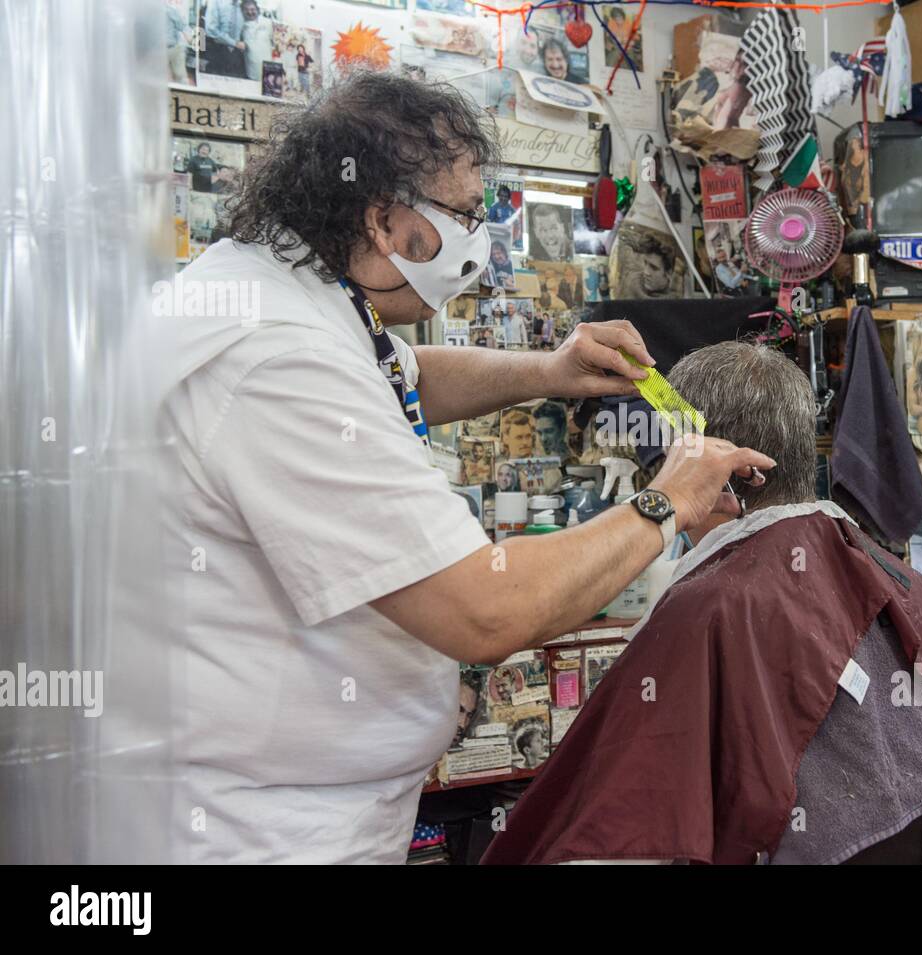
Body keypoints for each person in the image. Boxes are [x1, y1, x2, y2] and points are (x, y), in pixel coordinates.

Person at [156, 73, 772, 864]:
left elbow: (402, 375)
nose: (479, 241)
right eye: (464, 215)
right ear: (382, 217)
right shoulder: (276, 358)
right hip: (256, 833)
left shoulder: (293, 292)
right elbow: (483, 607)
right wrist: (665, 502)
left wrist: (549, 370)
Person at [480, 342, 922, 865]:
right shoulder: (907, 580)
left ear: (728, 472)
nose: (660, 477)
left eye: (668, 461)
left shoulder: (707, 611)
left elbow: (614, 837)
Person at [202, 0, 245, 78]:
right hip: (218, 51)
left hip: (236, 56)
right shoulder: (215, 2)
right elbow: (211, 29)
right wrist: (234, 43)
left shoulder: (241, 6)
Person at [239, 0, 272, 83]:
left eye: (252, 9)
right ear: (242, 11)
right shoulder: (241, 26)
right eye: (246, 9)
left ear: (257, 9)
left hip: (268, 68)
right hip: (251, 71)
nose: (250, 12)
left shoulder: (268, 23)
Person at [167, 3, 194, 84]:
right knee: (180, 78)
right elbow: (183, 27)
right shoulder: (169, 10)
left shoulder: (170, 10)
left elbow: (183, 27)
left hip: (171, 48)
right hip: (171, 48)